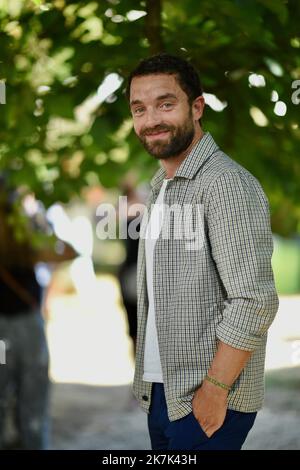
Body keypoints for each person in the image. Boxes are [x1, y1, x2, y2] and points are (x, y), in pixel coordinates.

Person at [125, 53, 279, 450]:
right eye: (139, 108)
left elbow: (254, 300)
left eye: (165, 103)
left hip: (207, 396)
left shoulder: (225, 184)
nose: (150, 119)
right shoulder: (161, 186)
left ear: (197, 107)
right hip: (164, 392)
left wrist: (214, 389)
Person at [0, 180, 77, 449]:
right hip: (27, 324)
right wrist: (41, 222)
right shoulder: (27, 240)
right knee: (33, 397)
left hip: (7, 329)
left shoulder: (25, 242)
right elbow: (69, 251)